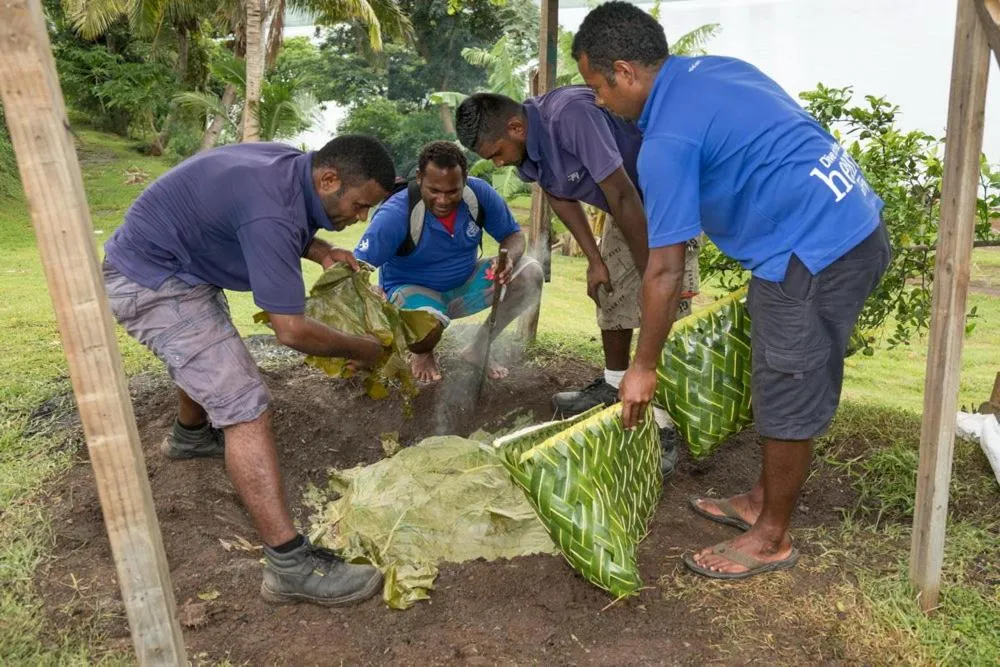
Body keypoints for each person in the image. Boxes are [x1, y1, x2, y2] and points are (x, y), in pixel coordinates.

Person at [572, 2, 891, 579]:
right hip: (849, 222)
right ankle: (758, 502)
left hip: (816, 253)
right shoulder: (715, 69)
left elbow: (664, 270)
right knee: (776, 369)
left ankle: (771, 537)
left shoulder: (668, 139)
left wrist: (643, 366)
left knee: (787, 385)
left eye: (597, 86)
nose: (598, 100)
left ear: (624, 72)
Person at [103, 135, 396, 605]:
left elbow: (272, 216)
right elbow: (292, 331)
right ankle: (288, 565)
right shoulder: (271, 211)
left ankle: (191, 436)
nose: (360, 218)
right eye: (360, 205)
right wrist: (362, 349)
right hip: (150, 280)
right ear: (329, 179)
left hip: (177, 264)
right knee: (244, 403)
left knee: (208, 349)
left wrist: (321, 252)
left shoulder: (287, 167)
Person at [454, 89, 701, 476]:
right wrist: (595, 259)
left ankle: (661, 418)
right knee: (612, 292)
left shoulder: (570, 116)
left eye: (497, 153)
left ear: (516, 127)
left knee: (665, 303)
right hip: (627, 205)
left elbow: (619, 189)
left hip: (666, 194)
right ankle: (615, 384)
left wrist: (654, 272)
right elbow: (559, 195)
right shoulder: (527, 151)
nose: (499, 163)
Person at [354, 140, 543, 382]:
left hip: (464, 286)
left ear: (464, 179)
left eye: (452, 191)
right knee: (428, 328)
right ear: (420, 178)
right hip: (413, 295)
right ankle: (422, 353)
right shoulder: (396, 213)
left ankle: (479, 347)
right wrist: (371, 293)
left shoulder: (478, 194)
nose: (443, 200)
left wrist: (508, 259)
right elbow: (357, 266)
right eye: (434, 190)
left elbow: (513, 235)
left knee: (531, 273)